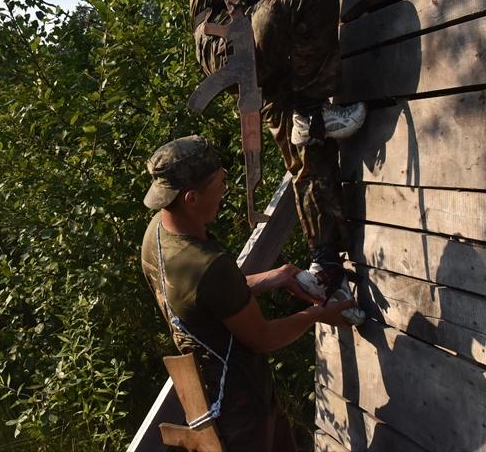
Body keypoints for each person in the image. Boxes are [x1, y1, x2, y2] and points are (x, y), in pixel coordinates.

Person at [184, 0, 393, 304]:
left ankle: (326, 272)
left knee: (307, 154)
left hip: (254, 48)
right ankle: (314, 111)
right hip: (230, 46)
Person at [140, 135, 357, 452]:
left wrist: (276, 276)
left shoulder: (158, 233)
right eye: (219, 183)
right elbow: (263, 338)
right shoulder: (208, 266)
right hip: (238, 410)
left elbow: (206, 299)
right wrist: (319, 315)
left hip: (204, 397)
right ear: (190, 198)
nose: (225, 190)